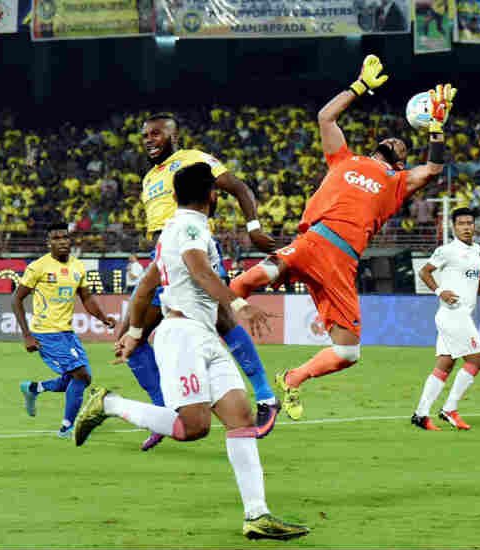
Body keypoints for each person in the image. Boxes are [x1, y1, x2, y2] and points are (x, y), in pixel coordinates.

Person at [74, 164, 309, 541]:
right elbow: (200, 271)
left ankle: (257, 515)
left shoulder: (175, 229)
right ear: (211, 194)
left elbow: (151, 280)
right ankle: (110, 404)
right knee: (194, 427)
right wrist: (237, 303)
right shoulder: (191, 226)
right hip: (182, 335)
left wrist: (134, 330)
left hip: (202, 334)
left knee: (241, 416)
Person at [230, 55, 456, 420]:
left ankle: (292, 378)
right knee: (242, 284)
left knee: (349, 353)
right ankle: (230, 345)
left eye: (403, 146)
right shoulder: (344, 158)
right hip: (311, 243)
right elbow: (325, 116)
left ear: (401, 162)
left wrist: (436, 128)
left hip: (342, 262)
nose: (397, 141)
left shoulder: (397, 183)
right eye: (392, 141)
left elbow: (432, 168)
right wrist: (360, 86)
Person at [117, 113, 280, 450]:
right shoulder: (149, 178)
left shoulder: (193, 160)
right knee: (130, 336)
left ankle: (265, 396)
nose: (149, 139)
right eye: (145, 135)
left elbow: (236, 187)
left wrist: (253, 229)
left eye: (157, 134)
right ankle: (164, 411)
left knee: (220, 318)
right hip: (165, 253)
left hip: (192, 245)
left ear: (174, 135)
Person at [14, 222, 117, 438]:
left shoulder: (78, 267)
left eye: (65, 238)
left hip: (67, 333)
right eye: (56, 238)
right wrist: (27, 335)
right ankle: (66, 428)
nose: (61, 242)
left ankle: (34, 388)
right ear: (48, 243)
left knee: (77, 378)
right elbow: (16, 300)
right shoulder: (38, 267)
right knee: (81, 376)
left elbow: (86, 297)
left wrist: (102, 317)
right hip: (46, 333)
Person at [411, 208, 480, 431]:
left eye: (470, 223)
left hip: (458, 315)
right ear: (453, 227)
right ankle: (449, 409)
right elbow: (424, 272)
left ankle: (420, 414)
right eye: (461, 223)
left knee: (445, 365)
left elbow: (476, 276)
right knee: (476, 360)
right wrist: (439, 291)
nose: (466, 227)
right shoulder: (447, 251)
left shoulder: (477, 250)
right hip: (453, 315)